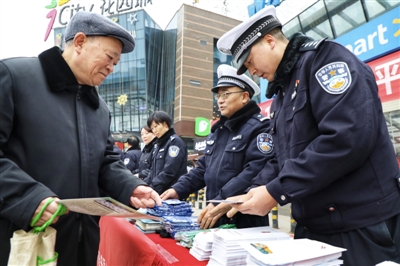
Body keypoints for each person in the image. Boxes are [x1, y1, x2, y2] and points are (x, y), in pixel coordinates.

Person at [217, 6, 400, 265]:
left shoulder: (325, 61)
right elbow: (280, 158)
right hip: (314, 227)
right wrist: (245, 196)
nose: (252, 71)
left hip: (360, 225)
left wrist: (275, 192)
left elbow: (345, 138)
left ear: (270, 41)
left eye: (249, 61)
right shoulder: (281, 95)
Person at [0, 11, 162, 266]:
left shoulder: (99, 108)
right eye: (109, 57)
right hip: (22, 238)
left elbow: (106, 163)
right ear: (79, 42)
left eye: (116, 63)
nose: (112, 67)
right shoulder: (14, 76)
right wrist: (29, 197)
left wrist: (130, 186)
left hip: (81, 243)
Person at [161, 64, 276, 229]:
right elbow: (202, 169)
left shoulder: (260, 127)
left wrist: (222, 199)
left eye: (226, 94)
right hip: (214, 213)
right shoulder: (217, 131)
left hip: (243, 219)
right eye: (218, 96)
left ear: (244, 97)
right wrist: (178, 189)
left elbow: (255, 170)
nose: (220, 100)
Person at [144, 111, 188, 194]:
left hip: (170, 193)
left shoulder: (174, 142)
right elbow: (152, 171)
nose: (154, 130)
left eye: (156, 126)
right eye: (152, 128)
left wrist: (152, 187)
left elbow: (169, 171)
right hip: (157, 192)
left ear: (165, 124)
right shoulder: (158, 145)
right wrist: (144, 185)